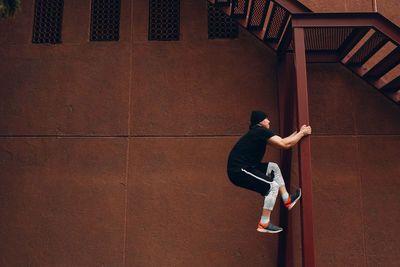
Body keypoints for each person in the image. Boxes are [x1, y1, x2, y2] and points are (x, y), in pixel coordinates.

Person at [227, 110, 312, 233]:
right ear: (260, 122)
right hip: (239, 171)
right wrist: (302, 134)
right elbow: (285, 144)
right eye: (266, 118)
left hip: (246, 167)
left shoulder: (258, 133)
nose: (269, 121)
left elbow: (282, 141)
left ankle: (287, 199)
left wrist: (299, 133)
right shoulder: (260, 131)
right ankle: (264, 223)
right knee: (272, 186)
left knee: (273, 167)